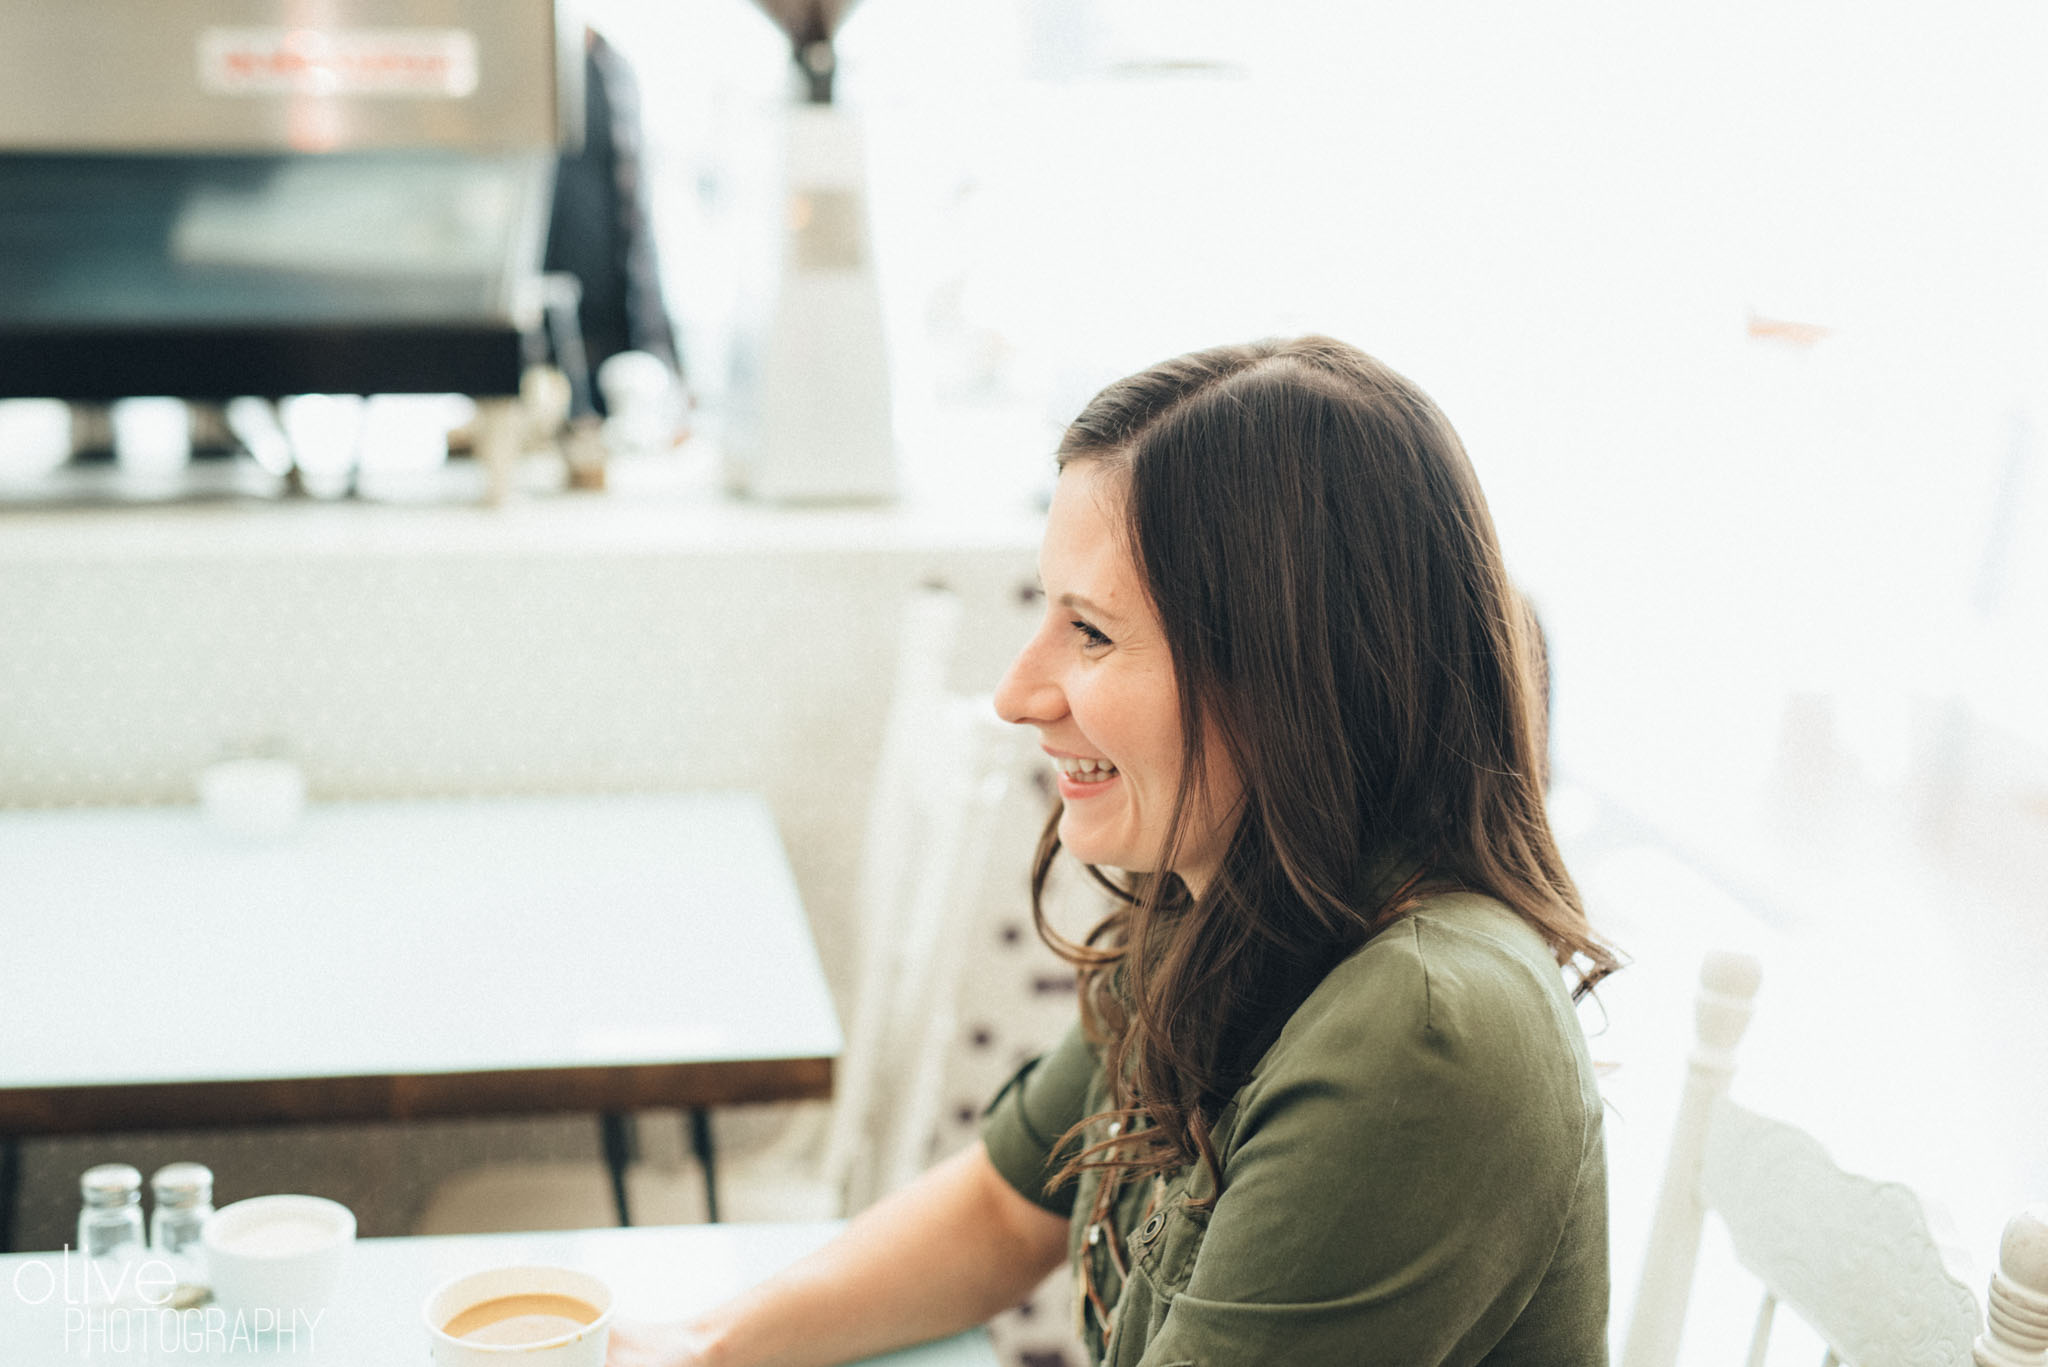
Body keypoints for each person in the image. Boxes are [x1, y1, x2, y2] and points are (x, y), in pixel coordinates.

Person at [608, 336, 1621, 1367]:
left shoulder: (1419, 1033)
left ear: (1284, 676)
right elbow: (1005, 1212)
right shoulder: (1235, 896)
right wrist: (690, 1344)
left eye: (1090, 632)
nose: (1016, 693)